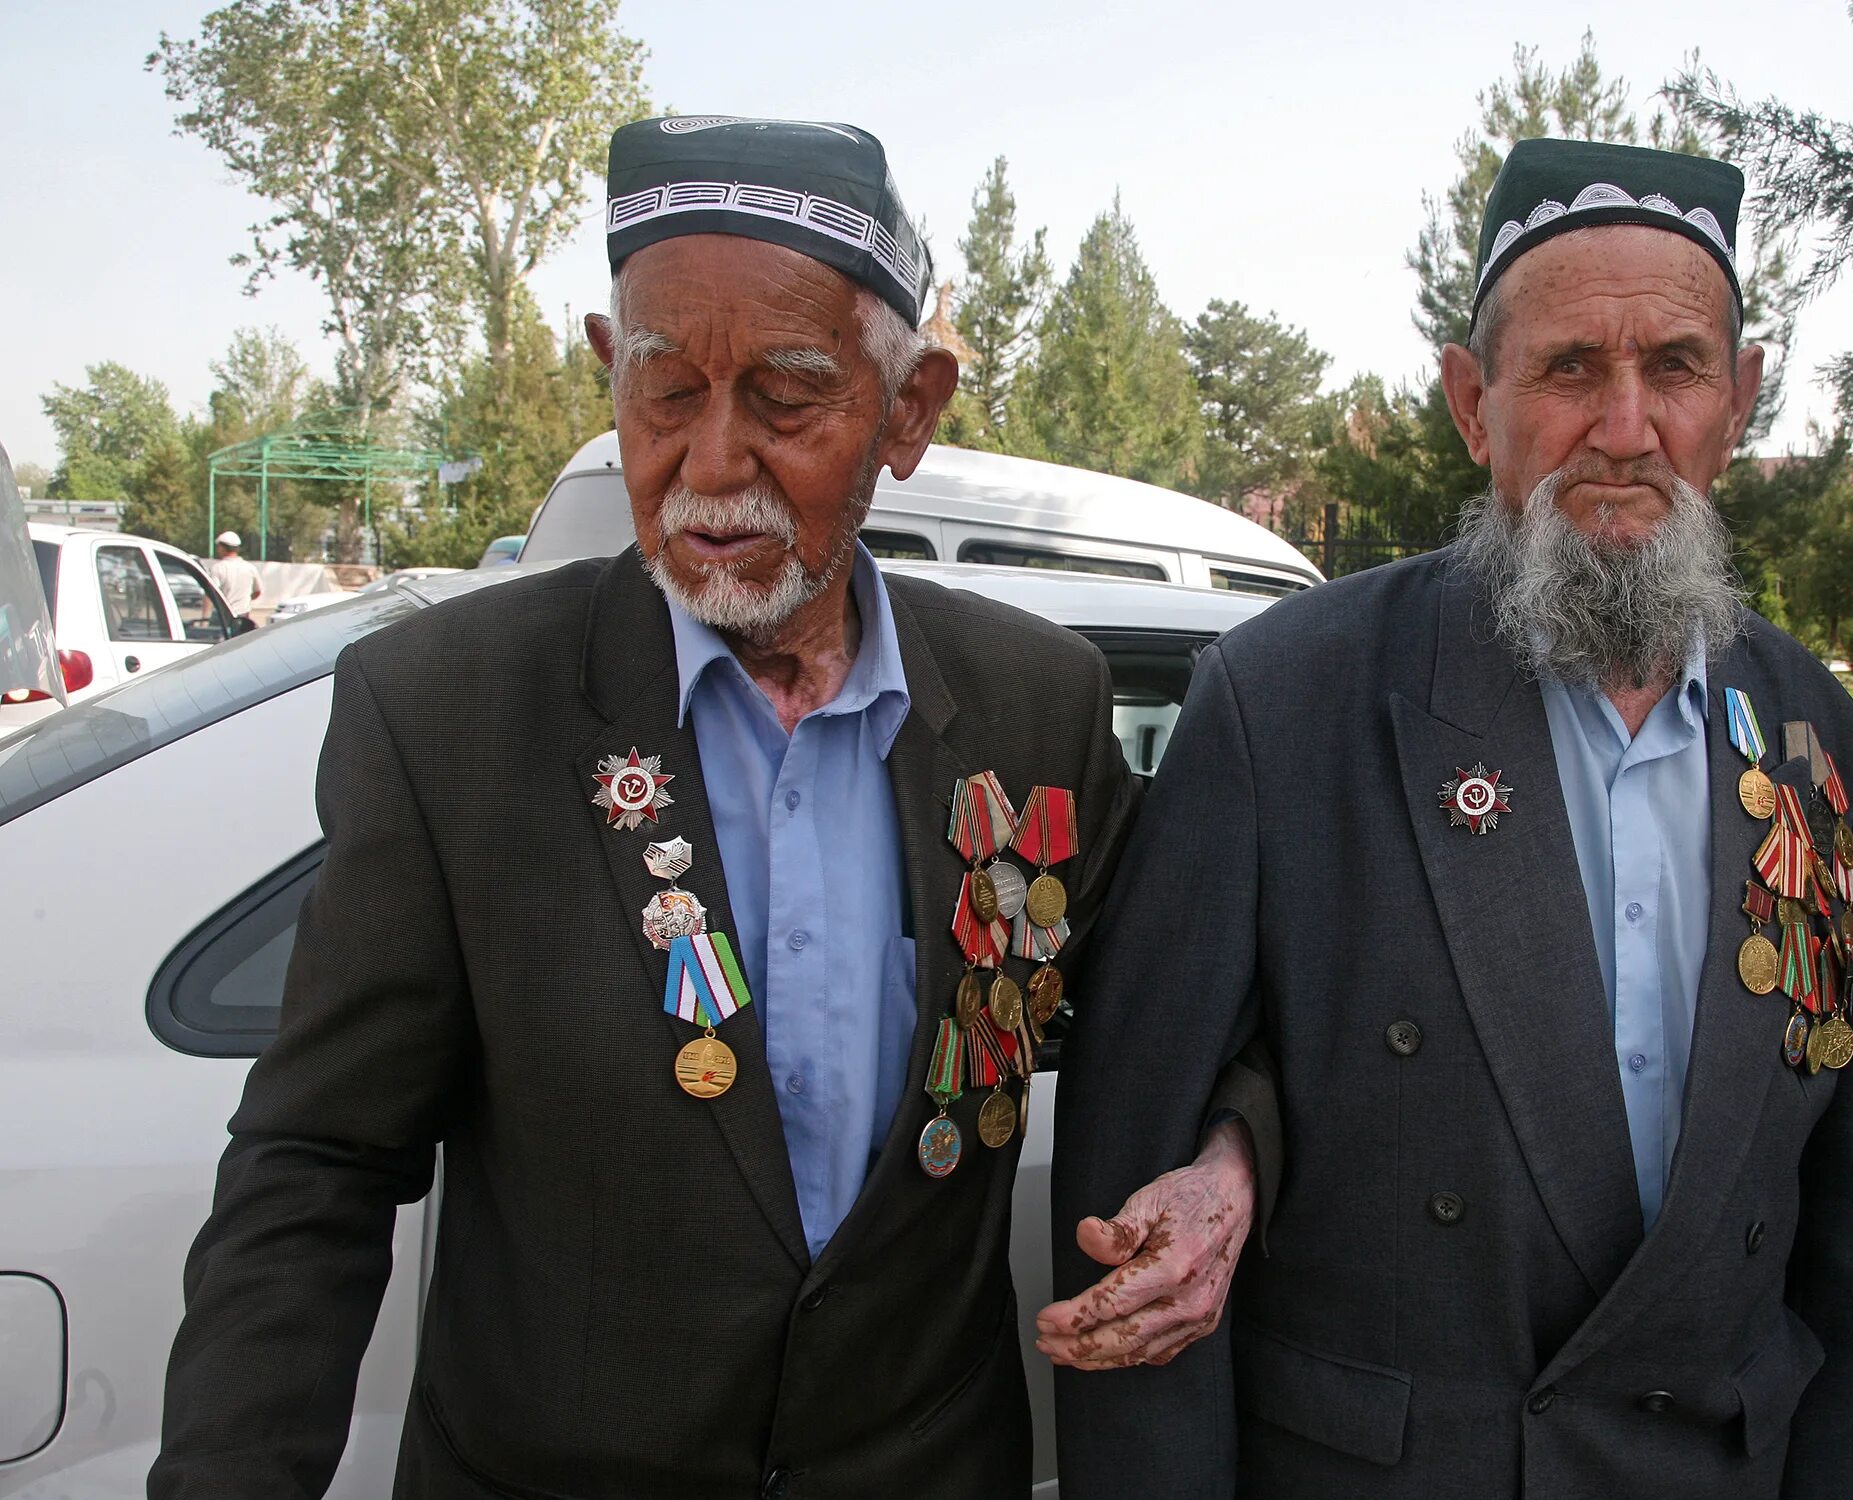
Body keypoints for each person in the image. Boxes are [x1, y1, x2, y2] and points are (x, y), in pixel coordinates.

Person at [153, 115, 1263, 1500]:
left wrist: (1228, 1161)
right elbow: (315, 1165)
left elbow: (1200, 998)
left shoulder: (1034, 701)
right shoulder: (450, 711)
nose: (712, 462)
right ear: (609, 373)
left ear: (908, 410)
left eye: (788, 398)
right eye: (664, 393)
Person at [1049, 137, 1853, 1500]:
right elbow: (1139, 1227)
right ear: (1468, 402)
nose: (1624, 429)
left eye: (1673, 367)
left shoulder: (1816, 738)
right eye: (1567, 369)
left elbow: (1840, 1240)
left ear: (1733, 401)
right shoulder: (1283, 704)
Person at [206, 529, 263, 617]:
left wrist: (204, 618)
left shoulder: (218, 568)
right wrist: (245, 600)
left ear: (222, 548)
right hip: (244, 616)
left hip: (224, 616)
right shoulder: (250, 568)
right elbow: (258, 592)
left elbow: (211, 594)